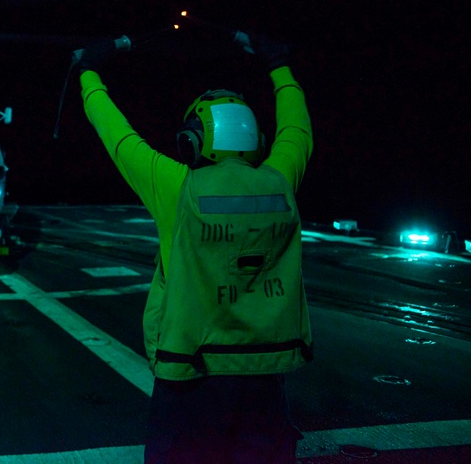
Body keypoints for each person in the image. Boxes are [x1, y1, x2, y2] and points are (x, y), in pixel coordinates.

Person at [79, 31, 313, 463]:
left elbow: (116, 133)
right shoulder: (281, 182)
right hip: (266, 377)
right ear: (255, 139)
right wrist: (278, 65)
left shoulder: (179, 188)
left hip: (191, 376)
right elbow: (298, 128)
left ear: (191, 140)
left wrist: (89, 73)